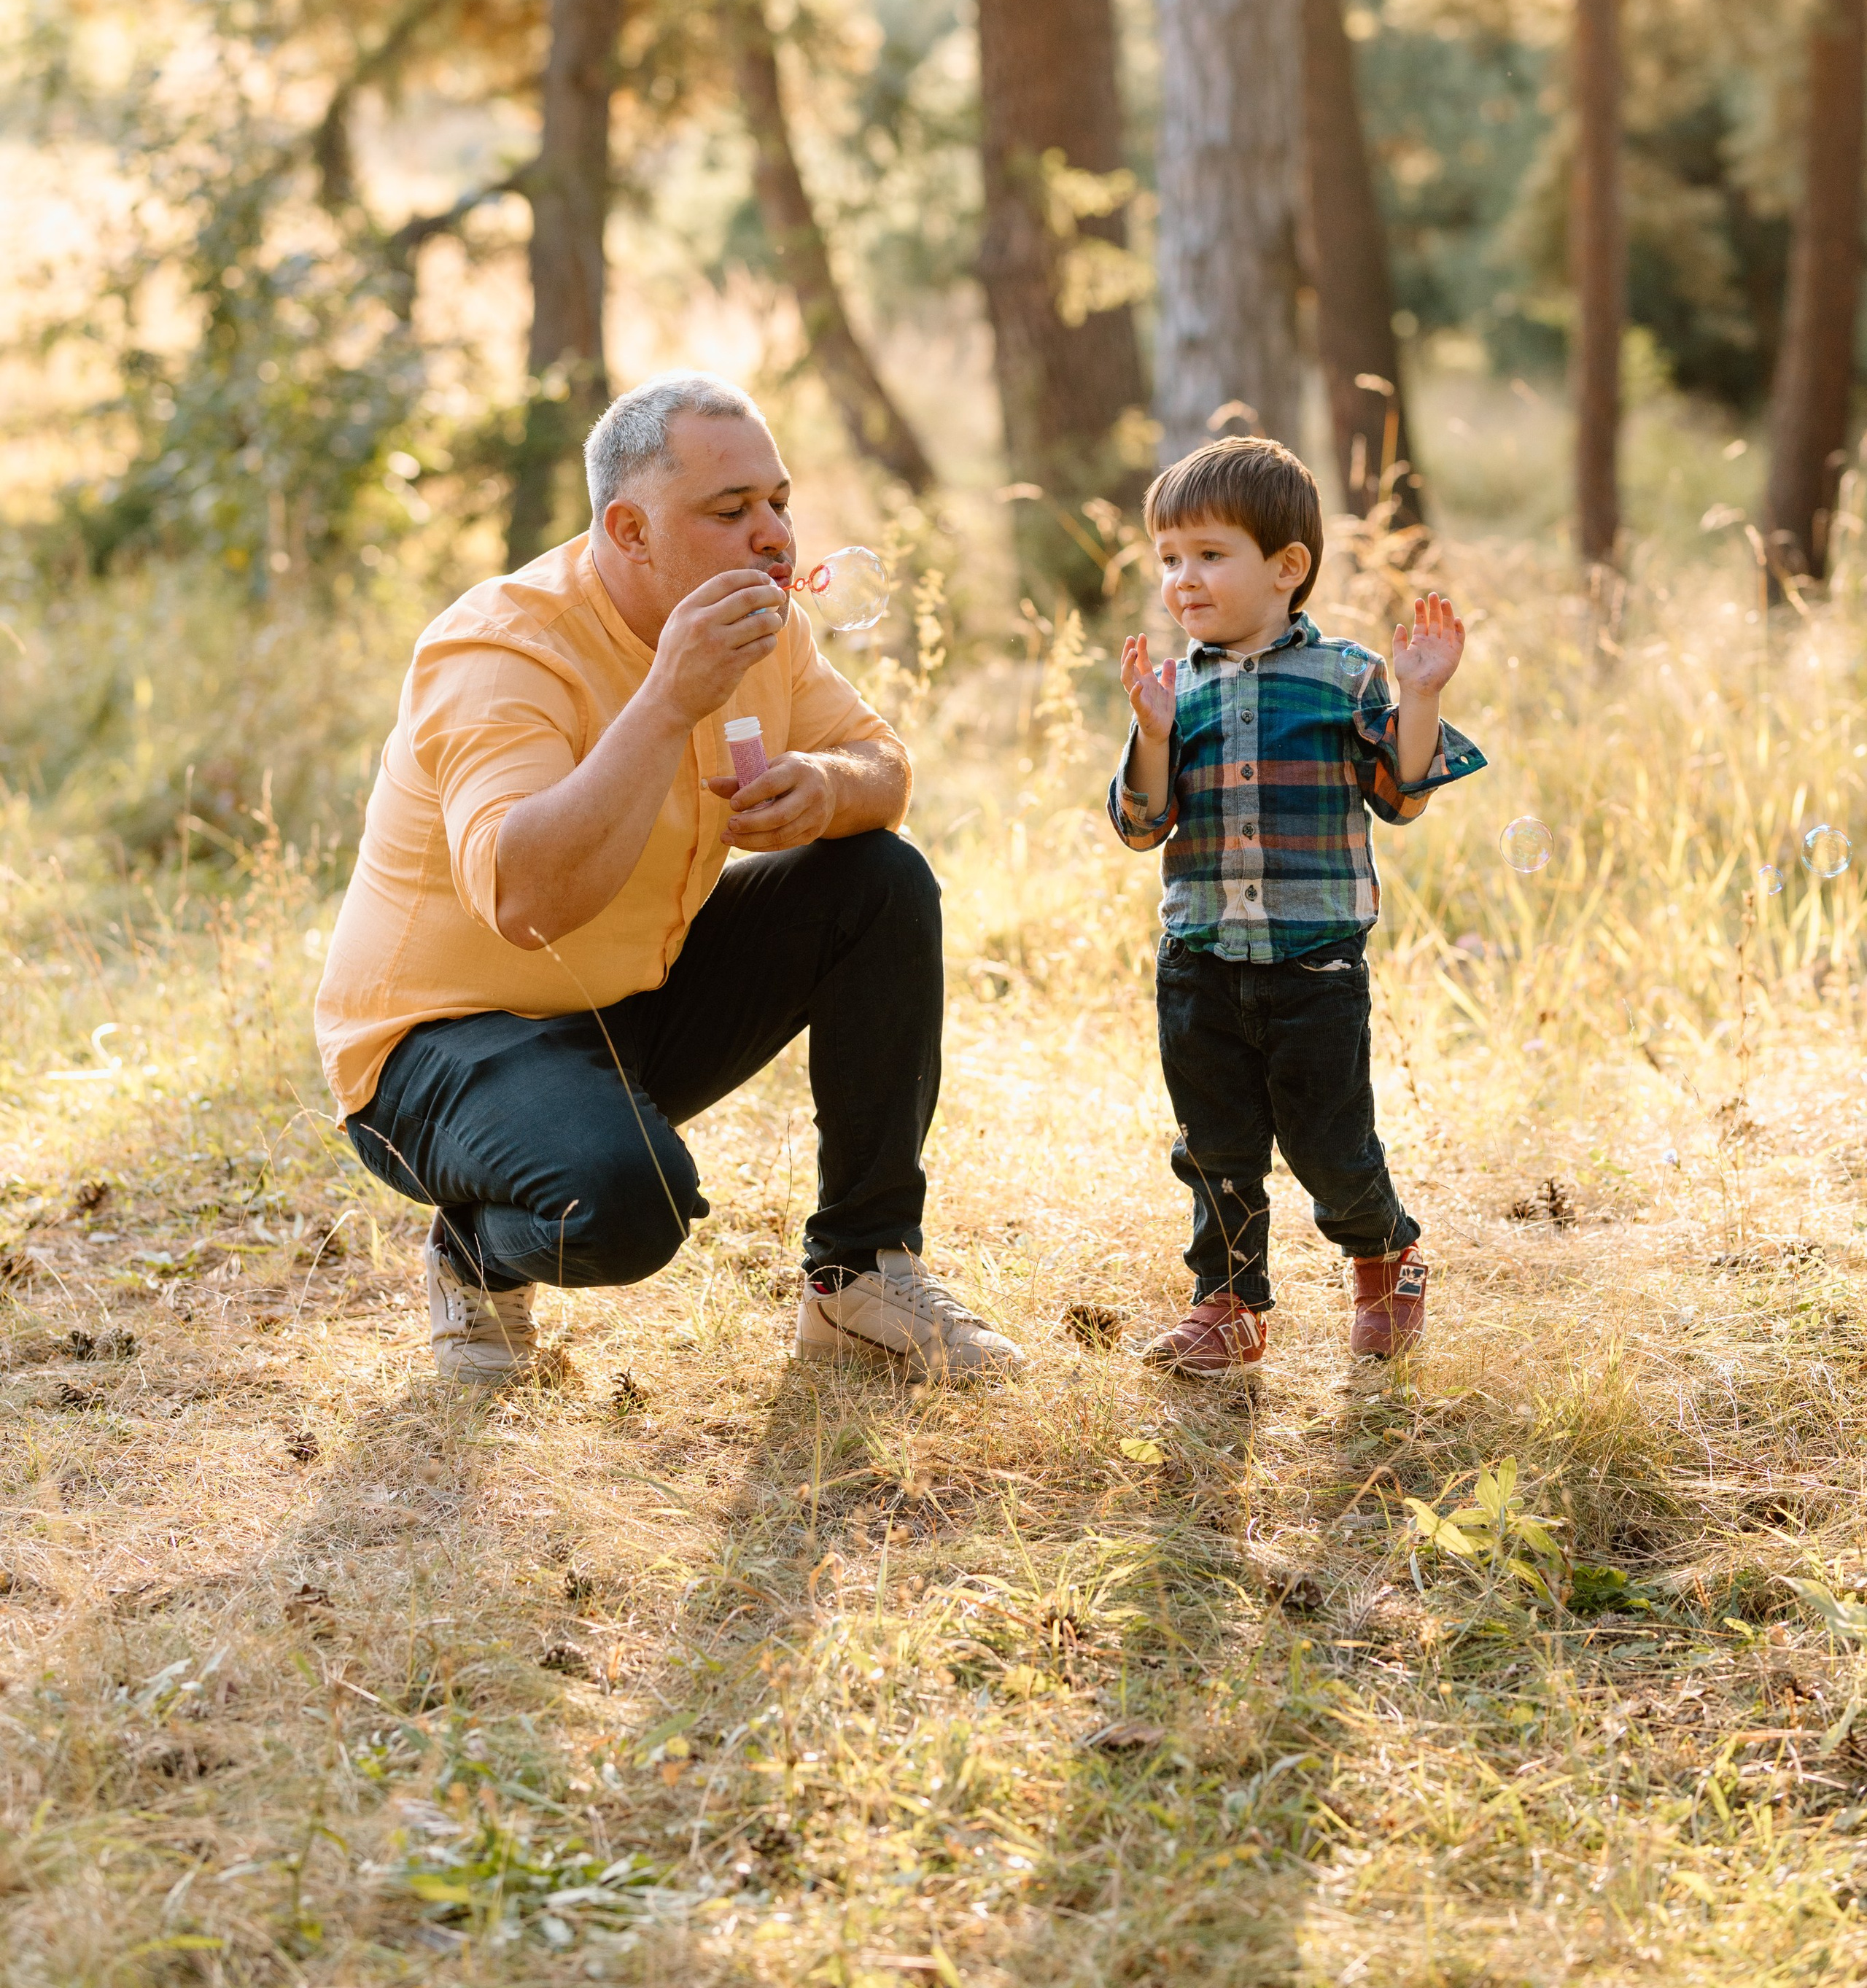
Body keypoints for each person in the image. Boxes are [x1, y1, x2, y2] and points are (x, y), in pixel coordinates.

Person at [317, 370, 1022, 1386]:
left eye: (778, 502)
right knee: (626, 1209)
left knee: (881, 878)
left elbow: (885, 768)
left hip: (622, 1004)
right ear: (632, 530)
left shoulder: (765, 626)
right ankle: (473, 1253)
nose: (774, 536)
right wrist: (666, 701)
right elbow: (526, 903)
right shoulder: (499, 651)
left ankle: (861, 1274)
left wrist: (825, 789)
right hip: (437, 1048)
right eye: (730, 511)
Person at [1108, 435, 1485, 1375]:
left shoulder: (1342, 677)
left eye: (1209, 555)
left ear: (1287, 568)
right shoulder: (1173, 690)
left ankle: (1384, 1253)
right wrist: (1151, 736)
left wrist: (1420, 695)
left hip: (1315, 968)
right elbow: (1142, 825)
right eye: (1168, 559)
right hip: (1199, 963)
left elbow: (1401, 796)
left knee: (1330, 1143)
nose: (1183, 580)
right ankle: (1229, 1305)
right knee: (1214, 1149)